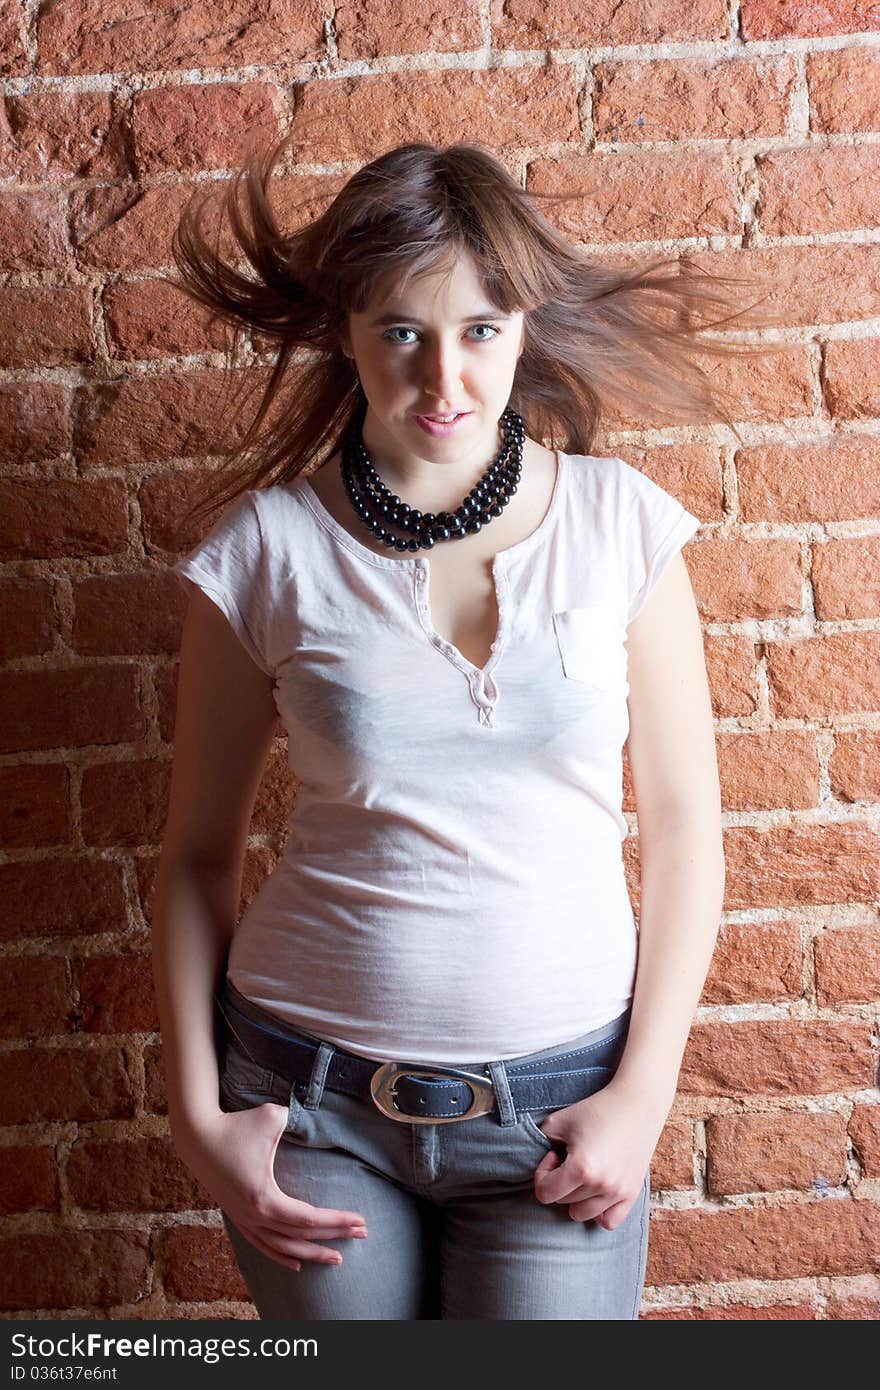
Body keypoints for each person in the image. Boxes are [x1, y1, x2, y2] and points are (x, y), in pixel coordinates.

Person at [152, 136, 785, 1319]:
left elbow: (689, 829)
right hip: (311, 1106)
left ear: (523, 327)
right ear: (345, 330)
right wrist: (199, 1115)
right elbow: (197, 856)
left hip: (559, 1110)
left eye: (480, 331)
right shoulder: (264, 554)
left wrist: (643, 1095)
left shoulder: (621, 529)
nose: (442, 378)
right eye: (401, 331)